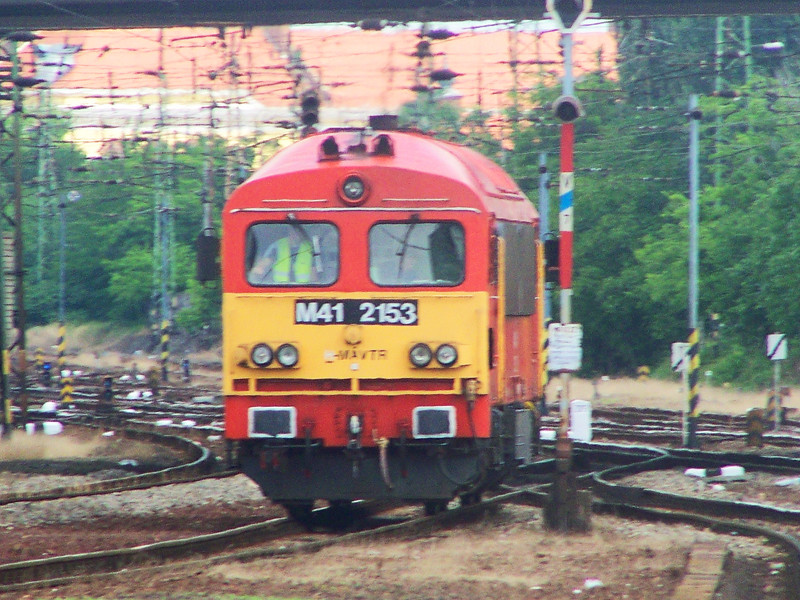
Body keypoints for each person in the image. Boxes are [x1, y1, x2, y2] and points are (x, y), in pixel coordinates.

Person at [249, 226, 314, 284]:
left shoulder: (310, 248)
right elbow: (263, 266)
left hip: (303, 291)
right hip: (279, 290)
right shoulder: (277, 246)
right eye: (293, 230)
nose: (296, 233)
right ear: (289, 231)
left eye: (299, 231)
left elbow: (314, 275)